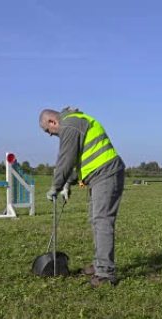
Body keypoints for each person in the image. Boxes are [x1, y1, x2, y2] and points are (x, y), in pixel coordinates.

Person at [39, 107, 125, 287]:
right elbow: (78, 158)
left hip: (106, 173)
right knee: (95, 220)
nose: (50, 135)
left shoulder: (69, 125)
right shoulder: (74, 122)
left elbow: (66, 159)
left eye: (48, 131)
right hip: (99, 175)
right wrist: (68, 182)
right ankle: (99, 263)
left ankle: (105, 274)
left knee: (102, 221)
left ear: (52, 122)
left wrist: (56, 186)